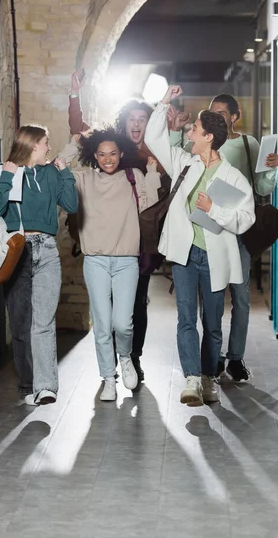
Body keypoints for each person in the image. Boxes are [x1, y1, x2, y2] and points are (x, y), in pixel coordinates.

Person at [67, 70, 188, 381]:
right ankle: (113, 364)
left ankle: (133, 358)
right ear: (124, 123)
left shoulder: (156, 154)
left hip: (141, 242)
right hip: (108, 239)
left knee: (137, 304)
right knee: (107, 307)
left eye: (143, 119)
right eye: (132, 118)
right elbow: (79, 132)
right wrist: (74, 95)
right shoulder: (113, 150)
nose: (137, 123)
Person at [145, 85, 255, 407]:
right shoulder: (184, 162)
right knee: (185, 319)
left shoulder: (234, 178)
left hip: (215, 257)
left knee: (213, 323)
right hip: (185, 255)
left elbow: (245, 218)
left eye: (195, 130)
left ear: (209, 137)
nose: (189, 132)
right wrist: (163, 102)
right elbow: (155, 138)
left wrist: (213, 210)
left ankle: (208, 377)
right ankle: (192, 378)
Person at [59, 126, 161, 401]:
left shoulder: (133, 177)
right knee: (103, 325)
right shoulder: (83, 178)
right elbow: (57, 169)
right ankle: (108, 378)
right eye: (102, 154)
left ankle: (125, 357)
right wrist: (73, 145)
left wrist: (152, 174)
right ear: (94, 155)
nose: (107, 159)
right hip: (95, 261)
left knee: (123, 324)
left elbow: (150, 206)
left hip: (127, 260)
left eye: (113, 154)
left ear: (121, 154)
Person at [0, 125, 78, 406]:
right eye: (45, 143)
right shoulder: (7, 170)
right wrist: (6, 177)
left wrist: (64, 172)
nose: (49, 148)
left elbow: (71, 205)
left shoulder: (50, 172)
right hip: (17, 253)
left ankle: (46, 387)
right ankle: (28, 384)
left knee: (43, 321)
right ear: (32, 144)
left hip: (47, 249)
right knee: (20, 322)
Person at [209, 94, 278, 382]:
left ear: (234, 117)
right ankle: (213, 357)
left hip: (239, 230)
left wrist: (272, 168)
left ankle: (235, 357)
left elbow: (261, 185)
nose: (216, 117)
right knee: (212, 297)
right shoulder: (202, 142)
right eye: (211, 113)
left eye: (222, 113)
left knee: (241, 296)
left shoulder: (249, 145)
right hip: (211, 226)